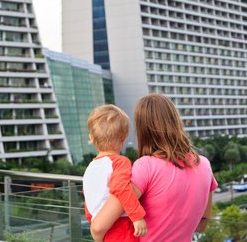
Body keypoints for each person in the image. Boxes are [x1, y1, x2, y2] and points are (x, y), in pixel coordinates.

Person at [91, 94, 218, 241]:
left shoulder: (146, 166)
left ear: (142, 128)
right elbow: (202, 224)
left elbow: (98, 226)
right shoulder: (204, 164)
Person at [83, 105, 147, 242]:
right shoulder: (120, 162)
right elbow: (121, 188)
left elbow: (89, 200)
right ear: (123, 139)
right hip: (122, 228)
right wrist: (137, 217)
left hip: (104, 230)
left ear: (92, 139)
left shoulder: (90, 168)